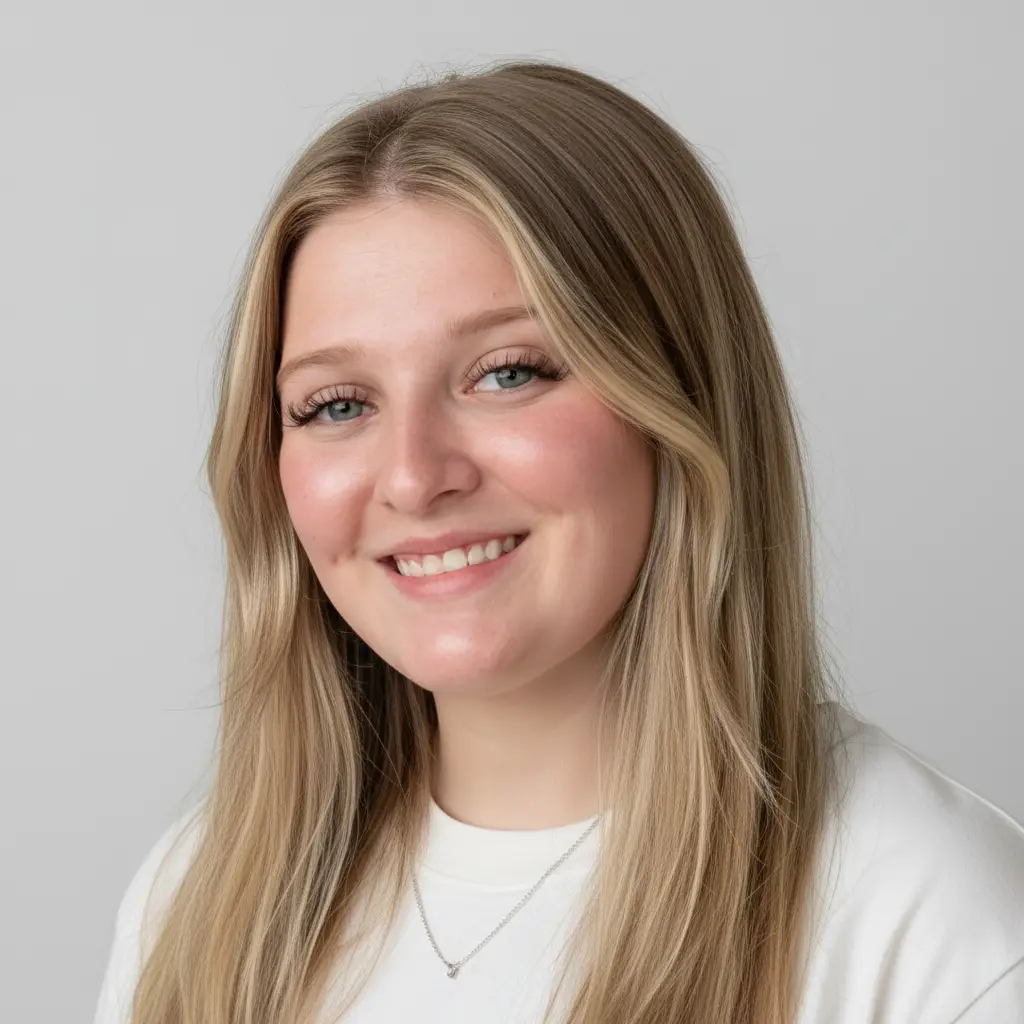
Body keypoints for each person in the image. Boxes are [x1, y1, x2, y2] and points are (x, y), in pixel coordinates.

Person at [93, 58, 1024, 1024]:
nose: (414, 476)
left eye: (508, 374)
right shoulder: (199, 905)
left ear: (681, 400)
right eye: (337, 403)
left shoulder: (931, 925)